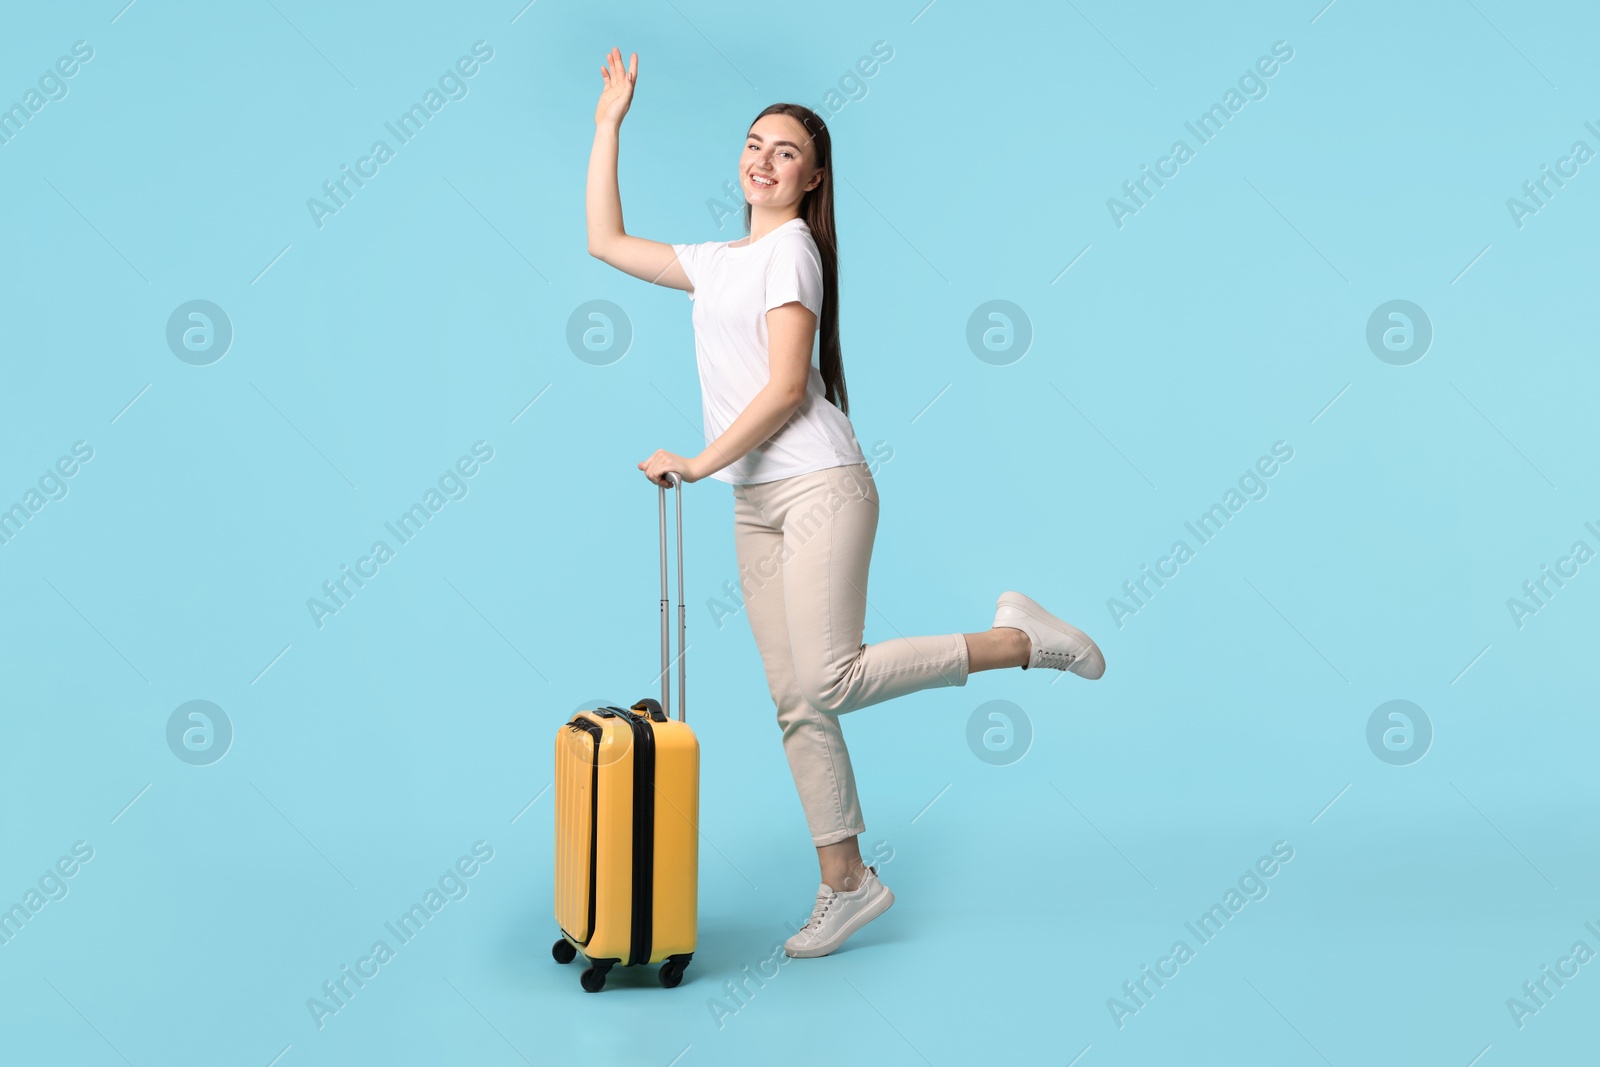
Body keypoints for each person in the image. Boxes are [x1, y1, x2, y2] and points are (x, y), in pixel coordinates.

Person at [585, 48, 1107, 959]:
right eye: (754, 145)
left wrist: (700, 461)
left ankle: (1025, 641)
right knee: (797, 700)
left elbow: (789, 389)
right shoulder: (718, 261)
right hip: (757, 499)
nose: (764, 160)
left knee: (831, 675)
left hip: (821, 485)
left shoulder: (790, 253)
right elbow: (606, 241)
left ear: (813, 175)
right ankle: (849, 882)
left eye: (785, 151)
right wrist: (608, 124)